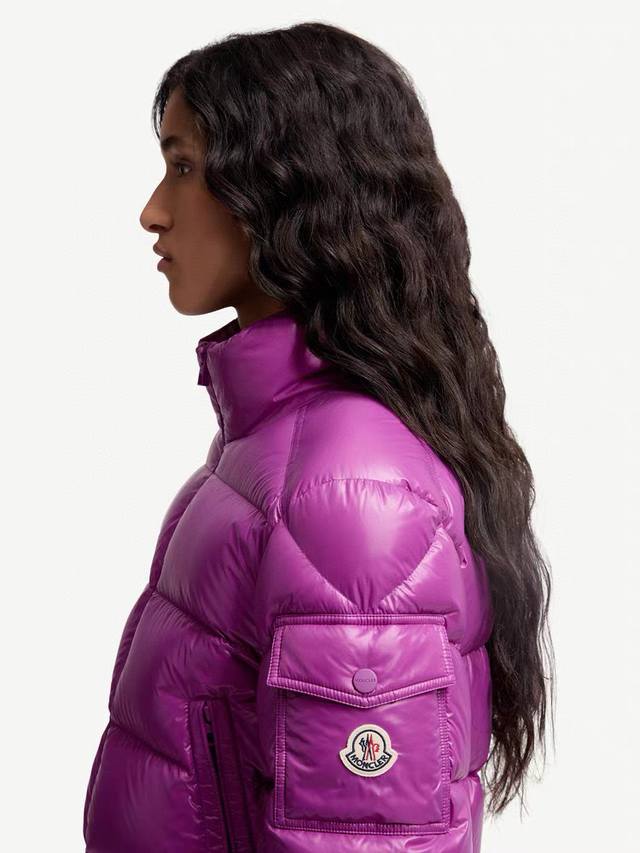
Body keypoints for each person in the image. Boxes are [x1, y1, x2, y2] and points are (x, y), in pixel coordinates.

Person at [83, 21, 554, 853]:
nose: (152, 211)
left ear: (284, 187)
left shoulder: (349, 498)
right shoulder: (278, 451)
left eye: (183, 166)